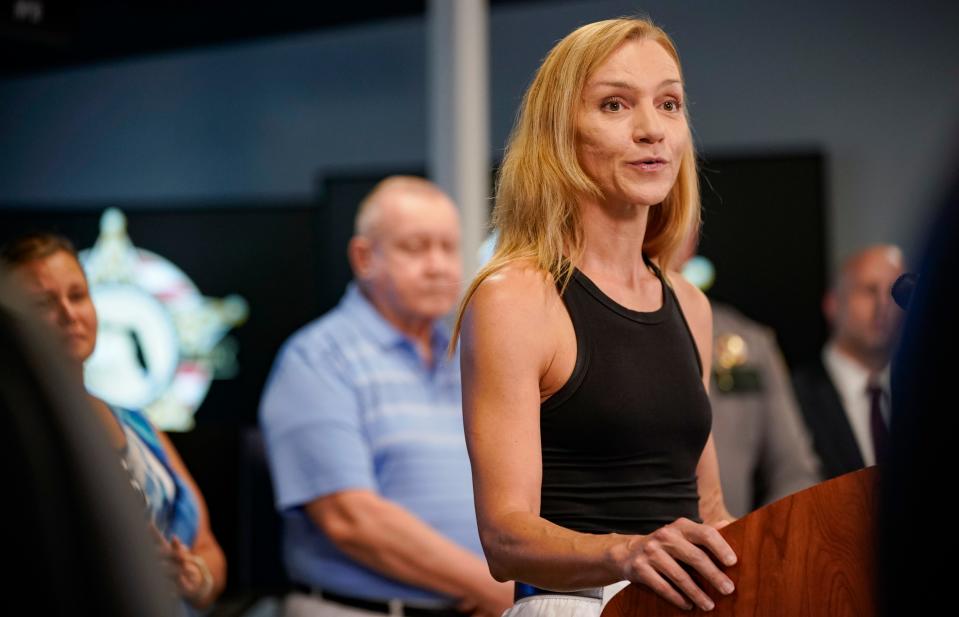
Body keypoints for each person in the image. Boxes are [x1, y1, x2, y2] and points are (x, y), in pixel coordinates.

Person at [454, 17, 738, 617]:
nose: (651, 130)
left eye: (669, 104)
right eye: (615, 104)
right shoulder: (516, 297)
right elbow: (505, 539)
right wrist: (627, 552)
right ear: (560, 135)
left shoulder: (690, 304)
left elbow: (711, 514)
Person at [259, 176, 513, 617]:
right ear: (364, 257)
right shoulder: (316, 359)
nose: (438, 266)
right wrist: (492, 587)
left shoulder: (468, 353)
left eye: (449, 248)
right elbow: (349, 518)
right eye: (415, 248)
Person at [0, 233, 227, 612]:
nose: (69, 314)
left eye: (77, 296)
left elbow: (206, 547)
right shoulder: (19, 438)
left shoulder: (137, 423)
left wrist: (195, 577)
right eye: (43, 303)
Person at [675, 230, 821, 517]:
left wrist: (760, 547)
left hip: (732, 550)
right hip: (623, 552)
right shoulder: (579, 328)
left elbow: (793, 472)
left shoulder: (749, 343)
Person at [792, 244, 905, 480]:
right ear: (832, 304)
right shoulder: (793, 396)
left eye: (895, 293)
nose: (884, 305)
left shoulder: (927, 390)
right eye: (869, 290)